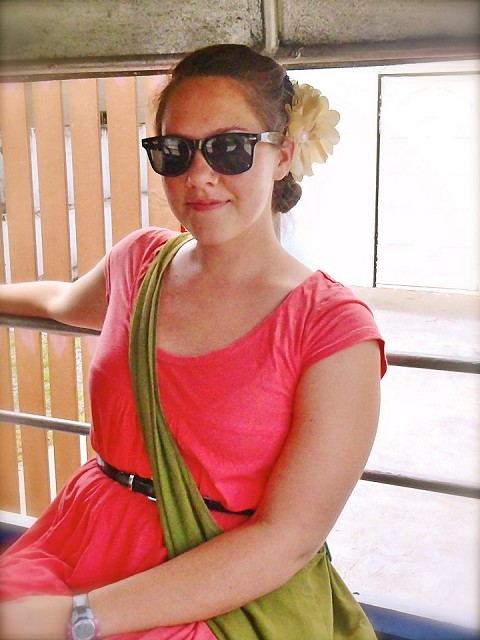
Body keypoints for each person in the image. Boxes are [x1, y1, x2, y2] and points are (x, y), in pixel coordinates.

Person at [0, 44, 386, 640]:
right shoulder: (140, 263)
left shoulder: (331, 331)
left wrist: (75, 618)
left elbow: (285, 540)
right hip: (78, 538)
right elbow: (61, 301)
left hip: (214, 586)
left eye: (229, 148)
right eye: (174, 151)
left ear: (282, 155)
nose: (199, 175)